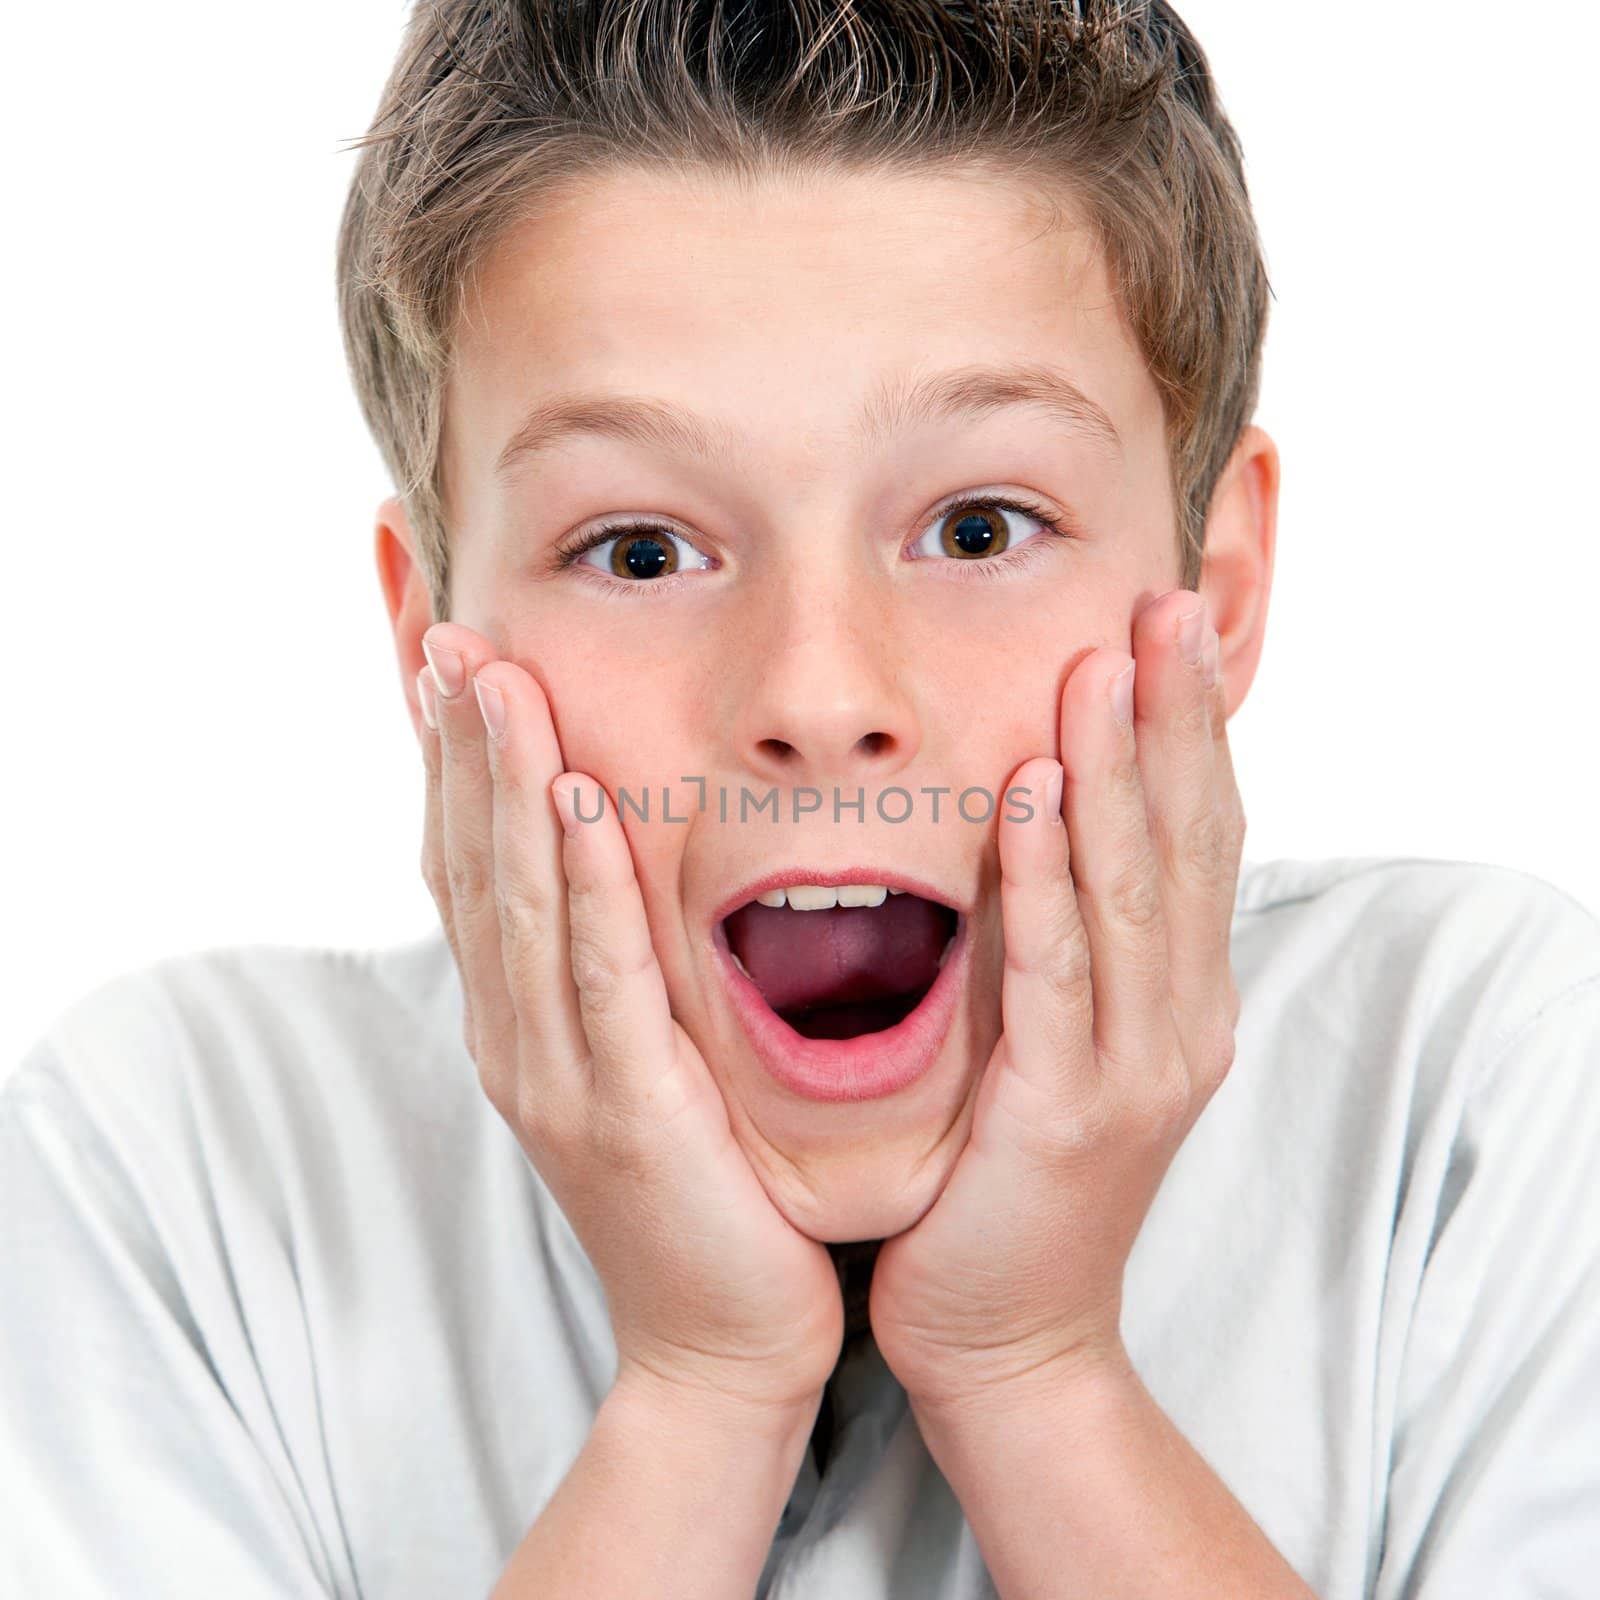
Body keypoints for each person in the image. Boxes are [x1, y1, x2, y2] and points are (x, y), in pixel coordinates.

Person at [4, 2, 1598, 1596]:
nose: (820, 699)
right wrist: (702, 1387)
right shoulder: (178, 1164)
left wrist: (1033, 1366)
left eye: (979, 529)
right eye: (639, 551)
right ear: (432, 641)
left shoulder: (1484, 1082)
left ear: (1222, 587)